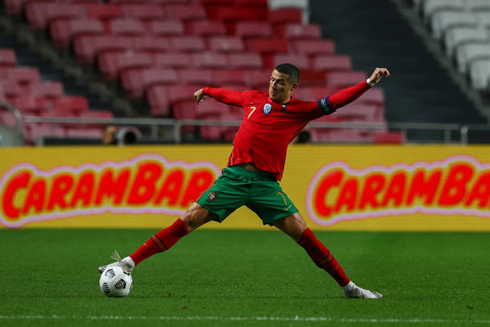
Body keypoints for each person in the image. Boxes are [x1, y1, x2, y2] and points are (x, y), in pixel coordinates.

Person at [98, 63, 390, 299]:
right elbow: (230, 95)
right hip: (234, 178)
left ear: (292, 87)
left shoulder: (302, 110)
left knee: (305, 236)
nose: (274, 85)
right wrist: (207, 90)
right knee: (188, 220)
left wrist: (367, 83)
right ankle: (128, 263)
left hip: (265, 186)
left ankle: (349, 287)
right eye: (272, 79)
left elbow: (336, 101)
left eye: (280, 82)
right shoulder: (253, 99)